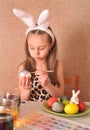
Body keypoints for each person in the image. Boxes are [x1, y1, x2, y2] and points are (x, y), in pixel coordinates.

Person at [13, 9, 64, 101]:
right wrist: (26, 92)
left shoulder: (56, 66)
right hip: (31, 113)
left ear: (51, 44)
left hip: (51, 110)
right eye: (32, 48)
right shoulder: (23, 67)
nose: (36, 53)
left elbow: (60, 95)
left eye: (41, 48)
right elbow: (23, 101)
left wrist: (48, 85)